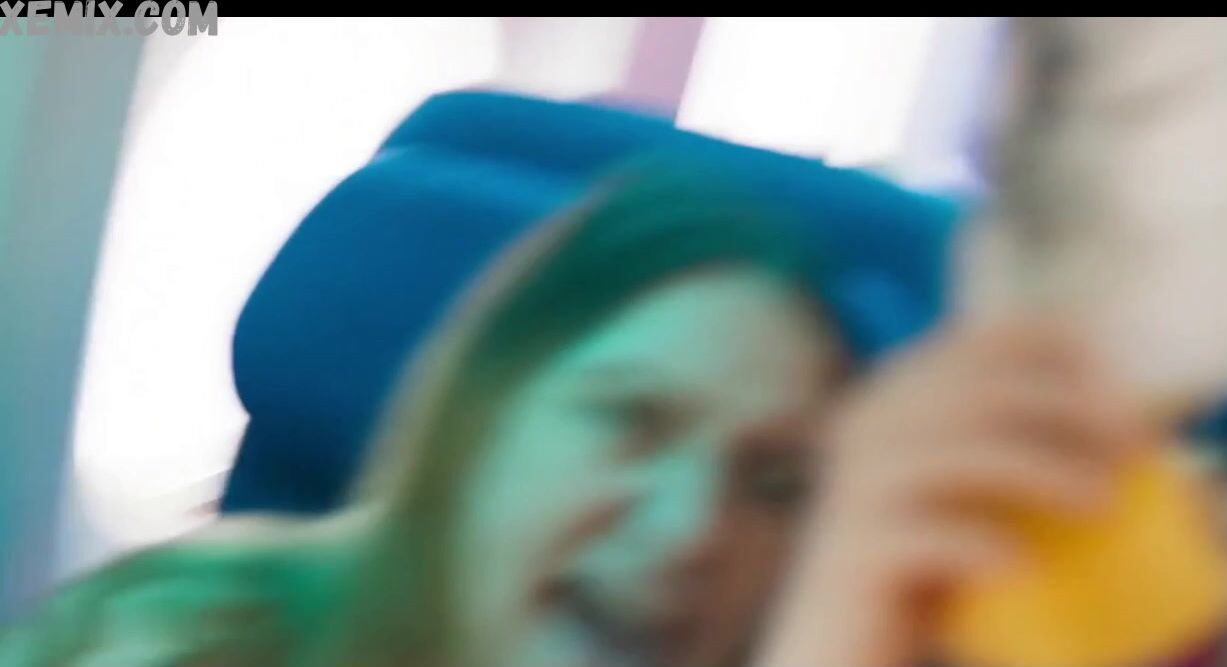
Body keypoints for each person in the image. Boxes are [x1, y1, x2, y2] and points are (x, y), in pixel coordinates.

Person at [0, 159, 1159, 667]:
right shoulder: (195, 635)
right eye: (633, 421)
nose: (695, 528)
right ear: (479, 420)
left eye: (771, 482)